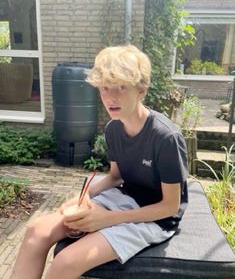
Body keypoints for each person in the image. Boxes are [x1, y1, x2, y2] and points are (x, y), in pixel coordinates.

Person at [10, 45, 188, 279]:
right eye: (105, 88)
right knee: (36, 231)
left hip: (156, 217)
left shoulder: (166, 138)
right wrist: (83, 196)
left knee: (65, 261)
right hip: (124, 199)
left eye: (121, 87)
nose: (111, 97)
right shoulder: (113, 129)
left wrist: (108, 219)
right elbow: (116, 176)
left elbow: (170, 207)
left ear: (142, 89)